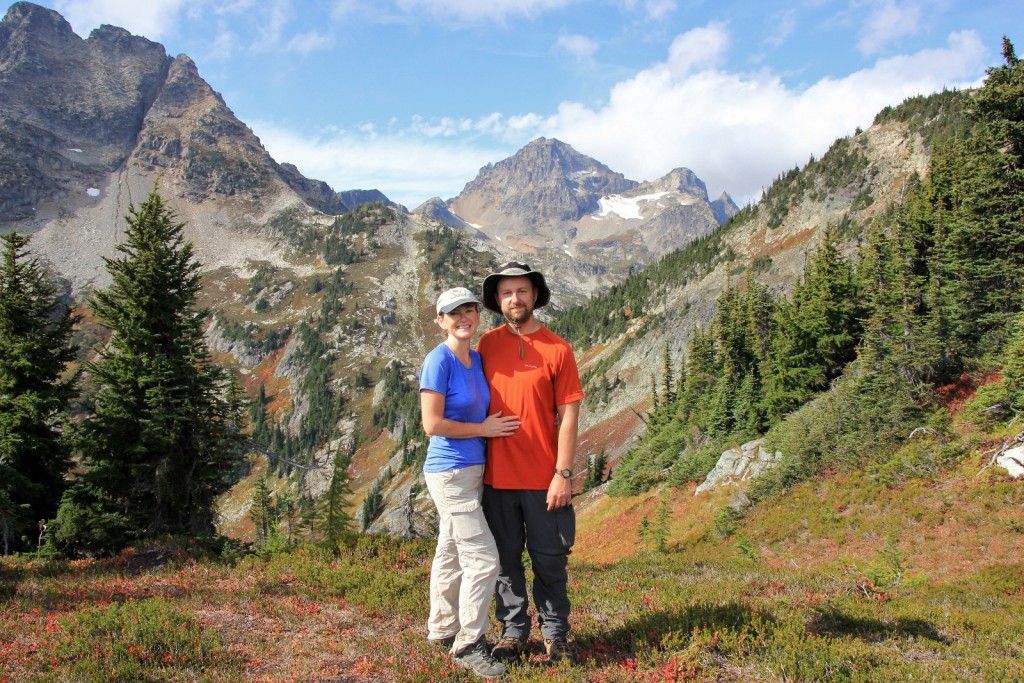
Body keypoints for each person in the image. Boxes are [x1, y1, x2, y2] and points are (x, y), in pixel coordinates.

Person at [477, 262, 585, 665]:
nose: (514, 299)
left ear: (535, 295)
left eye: (521, 291)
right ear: (497, 300)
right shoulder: (486, 344)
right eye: (506, 293)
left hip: (544, 479)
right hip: (496, 478)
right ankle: (514, 632)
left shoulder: (558, 349)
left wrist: (563, 473)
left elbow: (569, 415)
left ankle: (556, 635)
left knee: (550, 560)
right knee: (506, 562)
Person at [418, 286, 522, 679]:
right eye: (453, 313)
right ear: (440, 321)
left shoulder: (476, 360)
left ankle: (441, 629)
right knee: (482, 558)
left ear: (478, 316)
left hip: (472, 469)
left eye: (469, 311)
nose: (463, 318)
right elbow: (432, 424)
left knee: (450, 548)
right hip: (449, 472)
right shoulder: (438, 360)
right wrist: (483, 429)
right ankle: (469, 643)